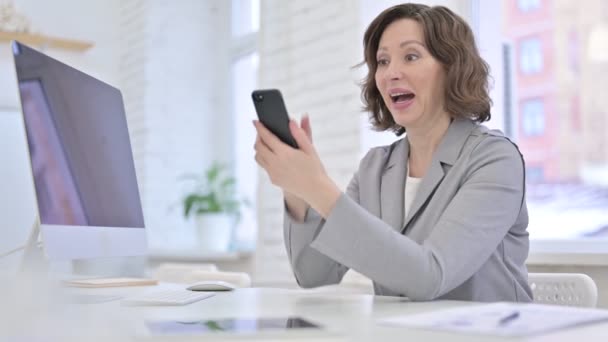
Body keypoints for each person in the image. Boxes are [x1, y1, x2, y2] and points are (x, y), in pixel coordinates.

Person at [253, 3, 532, 302]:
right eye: (382, 61)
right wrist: (297, 192)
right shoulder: (376, 167)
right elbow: (314, 274)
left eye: (411, 56)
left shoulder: (494, 159)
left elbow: (429, 277)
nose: (391, 73)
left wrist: (317, 187)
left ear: (452, 68)